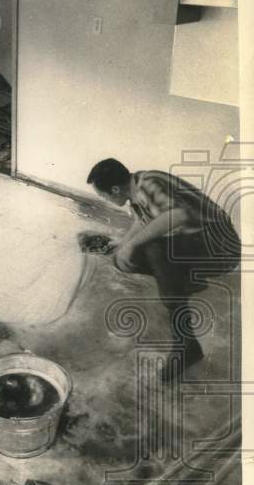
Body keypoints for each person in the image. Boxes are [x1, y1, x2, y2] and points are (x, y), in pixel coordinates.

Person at [87, 158, 241, 371]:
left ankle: (186, 345)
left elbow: (177, 215)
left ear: (114, 189)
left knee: (153, 248)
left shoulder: (149, 182)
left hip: (221, 247)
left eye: (103, 195)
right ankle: (185, 280)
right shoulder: (136, 193)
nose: (104, 199)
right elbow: (143, 222)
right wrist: (122, 244)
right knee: (124, 258)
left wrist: (133, 245)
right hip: (200, 246)